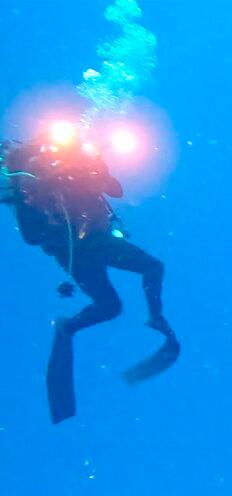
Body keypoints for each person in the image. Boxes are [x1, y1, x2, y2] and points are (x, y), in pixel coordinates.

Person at [1, 129, 179, 424]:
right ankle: (74, 327)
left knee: (134, 285)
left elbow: (115, 190)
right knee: (120, 298)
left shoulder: (77, 164)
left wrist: (96, 166)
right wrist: (43, 190)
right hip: (77, 250)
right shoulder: (31, 185)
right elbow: (32, 236)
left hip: (93, 242)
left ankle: (149, 319)